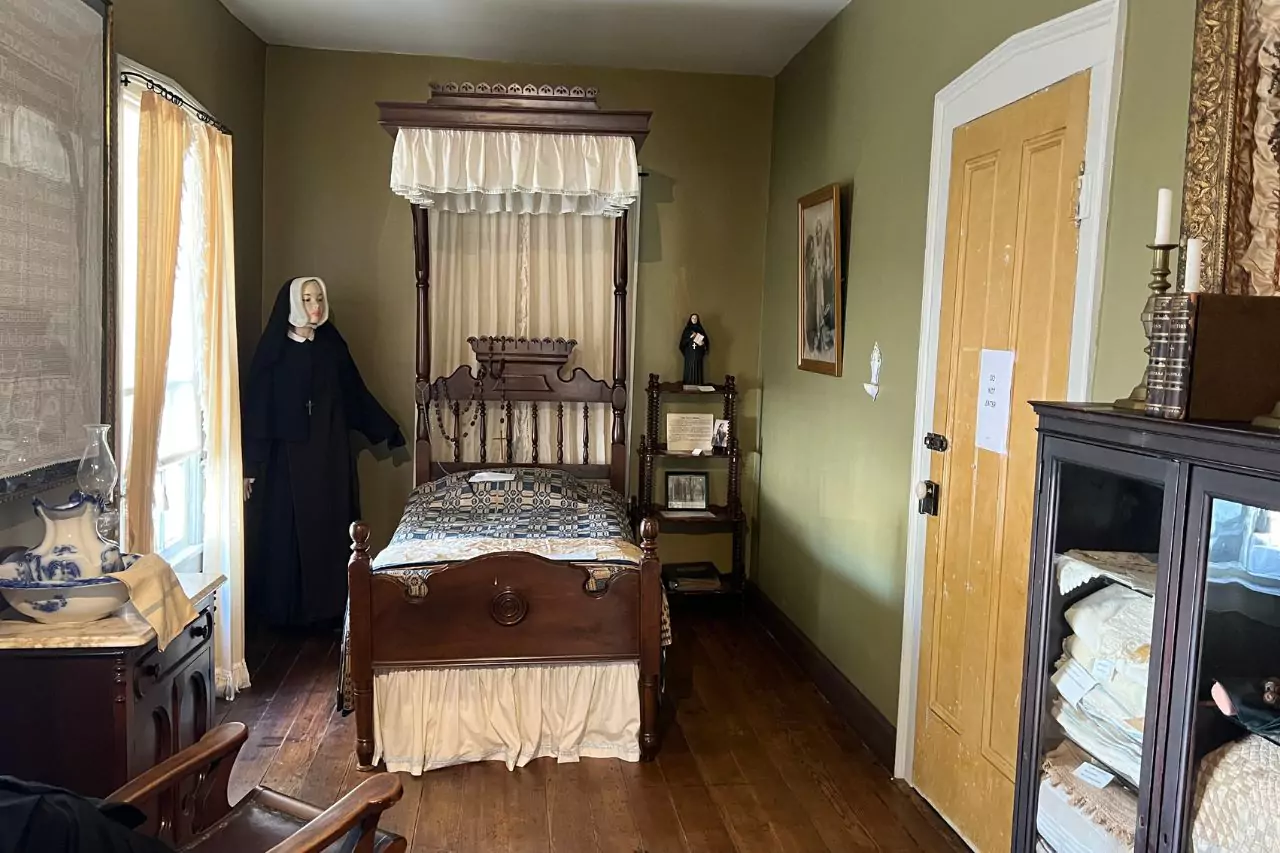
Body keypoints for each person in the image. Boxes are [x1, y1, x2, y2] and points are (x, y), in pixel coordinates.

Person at [241, 277, 404, 630]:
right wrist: (250, 464)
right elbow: (258, 410)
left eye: (318, 298)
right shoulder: (274, 353)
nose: (315, 306)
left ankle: (329, 611)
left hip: (329, 455)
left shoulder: (331, 347)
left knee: (331, 529)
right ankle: (287, 615)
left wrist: (386, 429)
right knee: (287, 536)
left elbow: (355, 392)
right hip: (287, 462)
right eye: (307, 299)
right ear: (292, 304)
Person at [679, 313, 710, 386]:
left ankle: (698, 385)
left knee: (697, 369)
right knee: (690, 369)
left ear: (698, 320)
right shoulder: (687, 330)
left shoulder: (700, 330)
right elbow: (682, 343)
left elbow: (706, 342)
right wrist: (690, 337)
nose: (694, 320)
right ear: (690, 319)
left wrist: (703, 344)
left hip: (698, 354)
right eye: (693, 318)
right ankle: (688, 385)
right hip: (689, 354)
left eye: (696, 318)